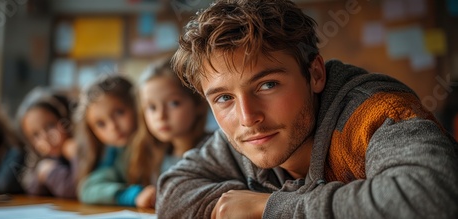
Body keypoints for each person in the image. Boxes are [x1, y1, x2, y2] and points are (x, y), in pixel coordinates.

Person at [156, 0, 458, 218]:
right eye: (224, 98)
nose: (248, 117)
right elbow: (172, 192)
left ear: (315, 74)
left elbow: (431, 200)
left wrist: (269, 206)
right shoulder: (247, 135)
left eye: (267, 85)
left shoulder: (376, 113)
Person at [127, 57, 209, 208]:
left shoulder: (215, 152)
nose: (161, 116)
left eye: (173, 103)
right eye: (151, 107)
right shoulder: (151, 154)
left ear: (198, 103)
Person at [75, 75, 139, 206]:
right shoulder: (113, 154)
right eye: (101, 124)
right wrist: (131, 195)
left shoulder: (159, 146)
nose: (113, 127)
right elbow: (88, 189)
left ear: (136, 106)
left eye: (119, 112)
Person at [16, 87, 77, 198]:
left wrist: (50, 173)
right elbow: (32, 191)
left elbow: (75, 189)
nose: (46, 138)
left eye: (50, 126)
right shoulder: (44, 160)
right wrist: (42, 170)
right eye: (36, 135)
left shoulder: (78, 149)